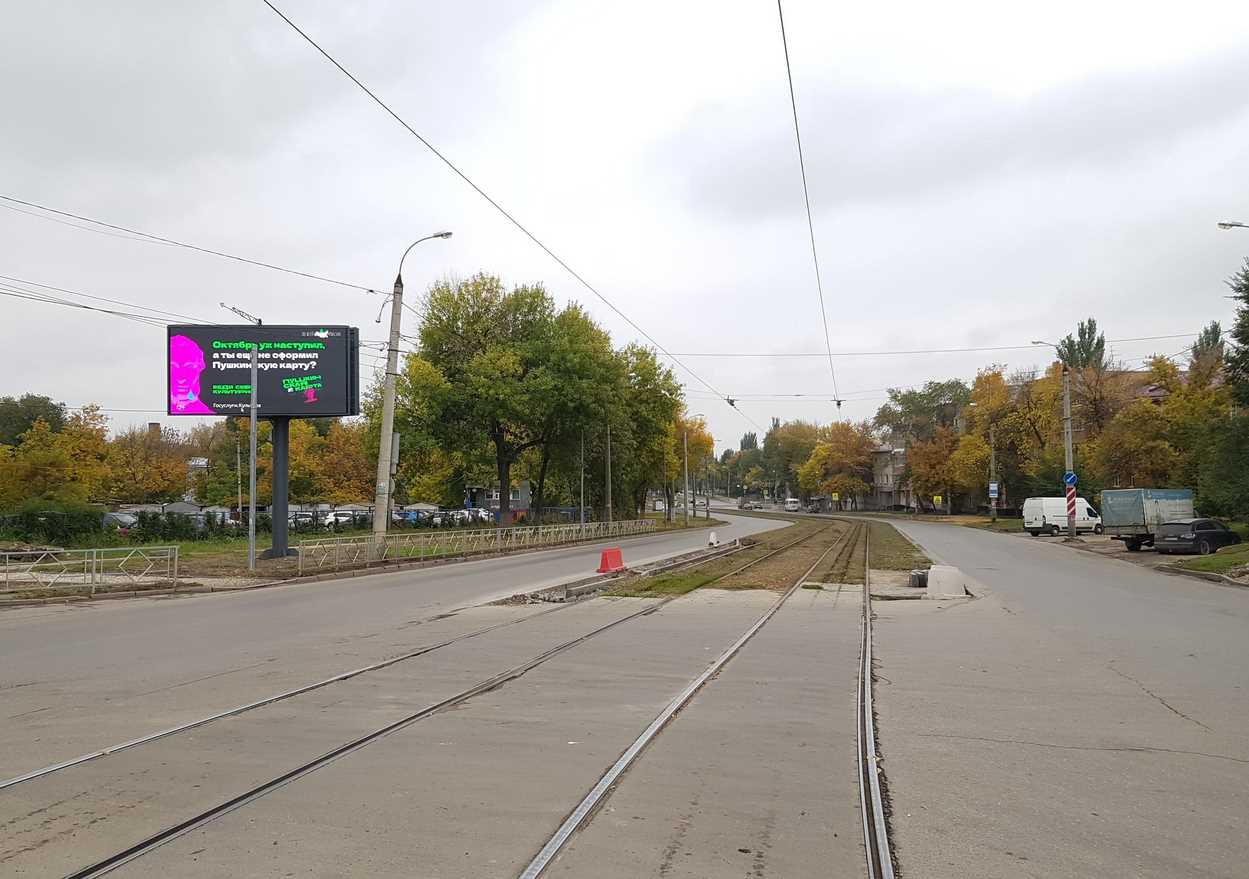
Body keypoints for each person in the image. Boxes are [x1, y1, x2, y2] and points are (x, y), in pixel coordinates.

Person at [169, 334, 215, 414]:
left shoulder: (205, 411)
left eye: (189, 367)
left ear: (200, 367)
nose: (181, 379)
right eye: (173, 367)